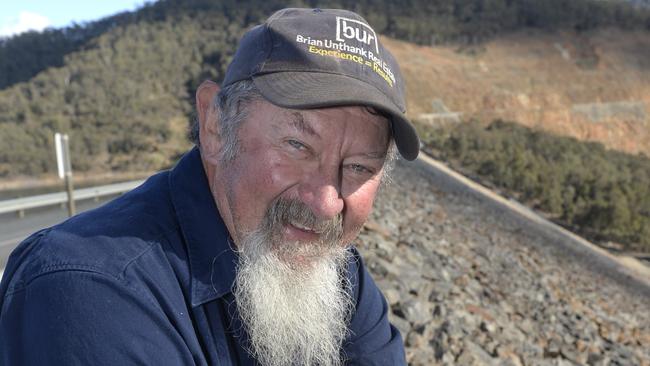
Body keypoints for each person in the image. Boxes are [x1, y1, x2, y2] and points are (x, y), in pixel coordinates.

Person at [0, 7, 419, 366]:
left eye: (360, 166)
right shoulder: (88, 291)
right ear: (216, 126)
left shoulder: (337, 274)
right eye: (298, 145)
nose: (327, 203)